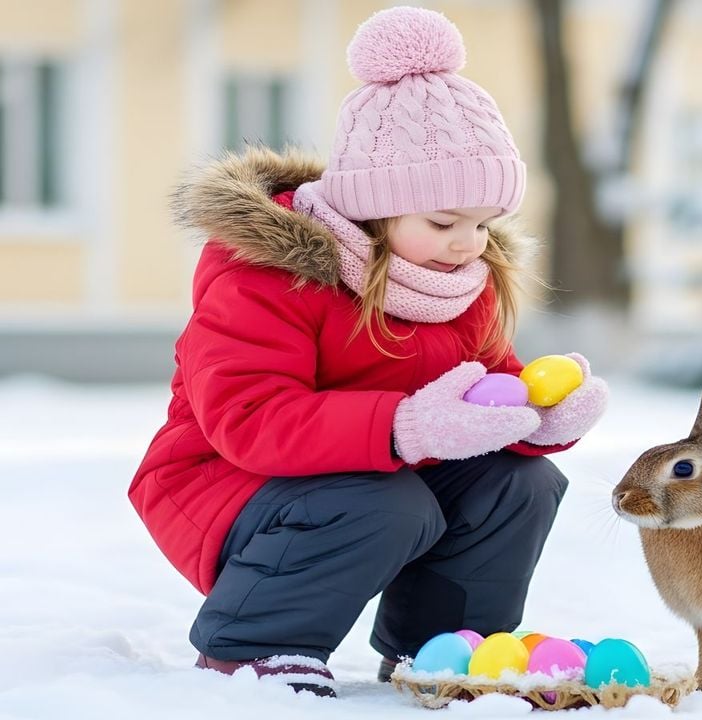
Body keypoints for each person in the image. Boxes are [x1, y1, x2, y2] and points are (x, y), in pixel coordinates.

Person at [128, 6, 608, 699]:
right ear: (374, 207)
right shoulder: (266, 273)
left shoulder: (454, 279)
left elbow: (486, 389)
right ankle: (253, 648)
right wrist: (405, 426)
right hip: (227, 481)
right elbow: (249, 416)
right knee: (387, 503)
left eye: (483, 223)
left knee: (517, 483)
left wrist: (538, 416)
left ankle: (443, 647)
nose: (468, 243)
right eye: (445, 222)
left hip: (373, 478)